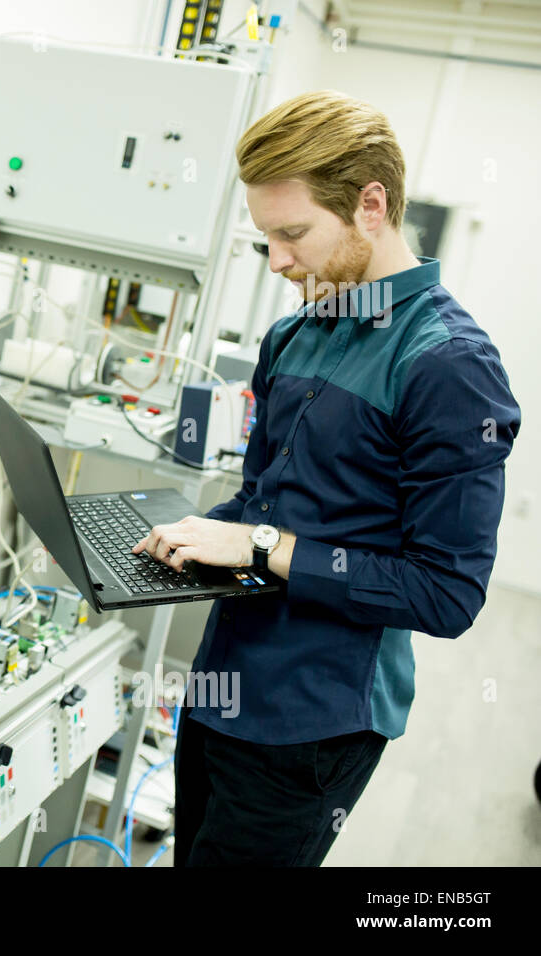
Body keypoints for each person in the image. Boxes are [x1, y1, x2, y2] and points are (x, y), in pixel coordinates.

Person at [132, 90, 522, 866]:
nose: (276, 261)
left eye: (293, 233)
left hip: (312, 724)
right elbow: (258, 500)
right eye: (265, 238)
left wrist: (260, 542)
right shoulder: (293, 334)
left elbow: (446, 594)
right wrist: (182, 538)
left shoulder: (449, 367)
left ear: (370, 205)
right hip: (219, 686)